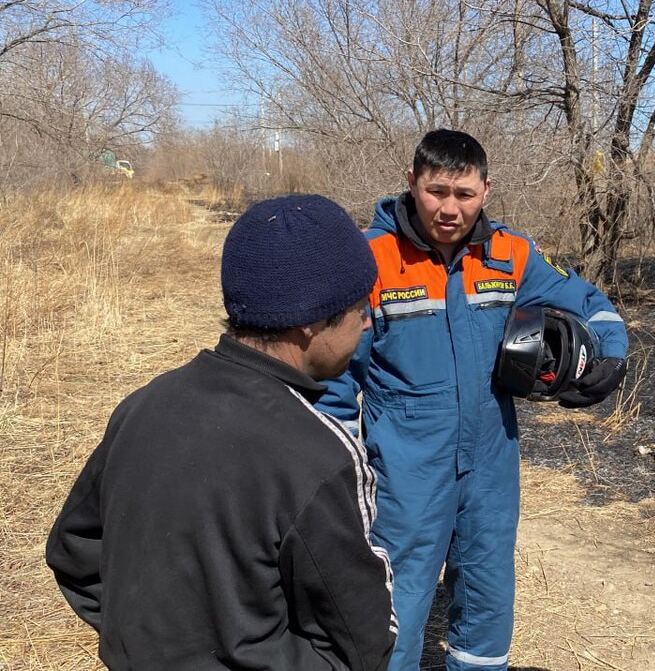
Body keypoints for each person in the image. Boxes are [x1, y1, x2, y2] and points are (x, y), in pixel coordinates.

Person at [317, 129, 628, 670]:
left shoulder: (511, 253)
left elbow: (588, 301)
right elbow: (335, 374)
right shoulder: (370, 261)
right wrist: (329, 465)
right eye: (437, 191)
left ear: (486, 189)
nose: (449, 209)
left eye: (464, 195)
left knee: (487, 587)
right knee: (400, 596)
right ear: (411, 183)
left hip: (491, 456)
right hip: (406, 466)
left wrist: (609, 355)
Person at [46, 195, 397, 669]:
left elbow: (75, 551)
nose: (368, 321)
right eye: (360, 309)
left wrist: (145, 643)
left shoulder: (145, 405)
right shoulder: (319, 456)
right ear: (313, 323)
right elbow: (360, 641)